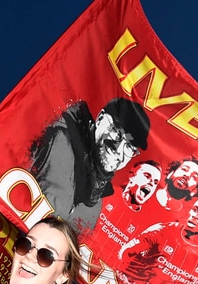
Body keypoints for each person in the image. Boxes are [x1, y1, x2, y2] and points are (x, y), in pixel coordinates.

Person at [29, 98, 151, 230]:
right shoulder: (58, 140)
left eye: (130, 147)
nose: (118, 149)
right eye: (117, 132)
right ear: (101, 119)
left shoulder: (96, 200)